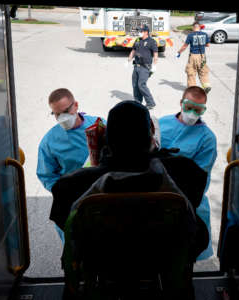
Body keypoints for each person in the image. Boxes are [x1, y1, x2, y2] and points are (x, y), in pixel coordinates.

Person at [50, 100, 209, 251]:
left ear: (107, 137)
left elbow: (63, 219)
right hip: (164, 258)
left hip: (103, 260)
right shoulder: (184, 170)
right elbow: (194, 203)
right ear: (151, 132)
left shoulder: (73, 184)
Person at [159, 86, 217, 260]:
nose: (192, 113)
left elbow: (198, 179)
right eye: (188, 107)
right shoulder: (162, 124)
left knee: (184, 257)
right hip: (157, 196)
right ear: (181, 104)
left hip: (189, 201)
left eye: (198, 110)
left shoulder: (207, 138)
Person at [36, 88, 101, 242]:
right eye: (57, 114)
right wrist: (66, 194)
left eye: (66, 111)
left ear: (76, 105)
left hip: (101, 196)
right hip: (73, 202)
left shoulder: (99, 125)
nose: (63, 118)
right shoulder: (50, 141)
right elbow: (47, 176)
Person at [127, 25, 158, 110]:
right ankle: (137, 102)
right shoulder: (137, 40)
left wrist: (154, 66)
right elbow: (133, 51)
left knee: (141, 85)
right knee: (135, 85)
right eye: (138, 31)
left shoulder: (152, 41)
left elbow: (155, 54)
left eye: (140, 31)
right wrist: (128, 60)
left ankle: (150, 103)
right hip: (136, 66)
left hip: (145, 67)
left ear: (146, 32)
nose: (139, 33)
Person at [176, 22, 211, 93]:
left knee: (191, 72)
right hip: (202, 56)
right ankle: (206, 86)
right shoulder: (205, 34)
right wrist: (201, 45)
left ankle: (192, 89)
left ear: (193, 27)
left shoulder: (190, 35)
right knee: (203, 72)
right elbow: (207, 45)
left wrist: (179, 52)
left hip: (193, 56)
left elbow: (185, 46)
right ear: (199, 27)